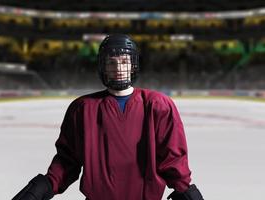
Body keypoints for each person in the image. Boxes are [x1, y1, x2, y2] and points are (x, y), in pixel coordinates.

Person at [12, 34, 204, 200]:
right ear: (103, 67)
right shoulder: (82, 109)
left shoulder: (158, 105)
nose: (118, 68)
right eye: (111, 62)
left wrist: (186, 191)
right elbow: (67, 160)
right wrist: (41, 188)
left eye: (123, 62)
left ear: (132, 65)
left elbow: (173, 160)